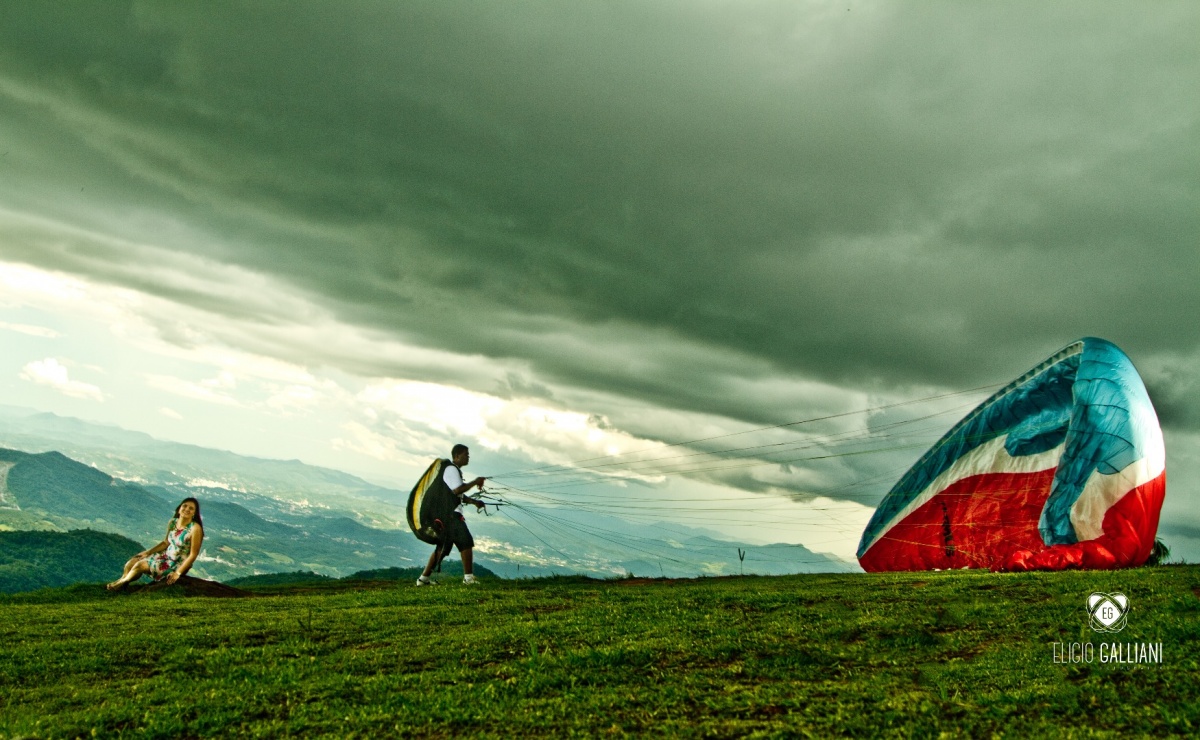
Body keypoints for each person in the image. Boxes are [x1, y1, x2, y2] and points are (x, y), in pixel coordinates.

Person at [417, 443, 486, 586]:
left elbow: (457, 494)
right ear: (457, 456)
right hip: (450, 516)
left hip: (445, 515)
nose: (468, 457)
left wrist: (474, 502)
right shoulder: (451, 469)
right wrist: (475, 481)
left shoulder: (452, 470)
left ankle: (423, 579)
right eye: (466, 454)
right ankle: (468, 578)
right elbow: (457, 490)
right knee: (466, 542)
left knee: (442, 548)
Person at [107, 497, 205, 590]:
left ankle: (121, 583)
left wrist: (178, 573)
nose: (187, 509)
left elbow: (193, 554)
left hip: (177, 564)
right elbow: (166, 542)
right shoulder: (173, 522)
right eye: (184, 506)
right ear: (179, 508)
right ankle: (122, 581)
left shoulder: (195, 528)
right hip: (165, 556)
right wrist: (148, 552)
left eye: (191, 508)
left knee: (140, 565)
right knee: (133, 561)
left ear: (194, 513)